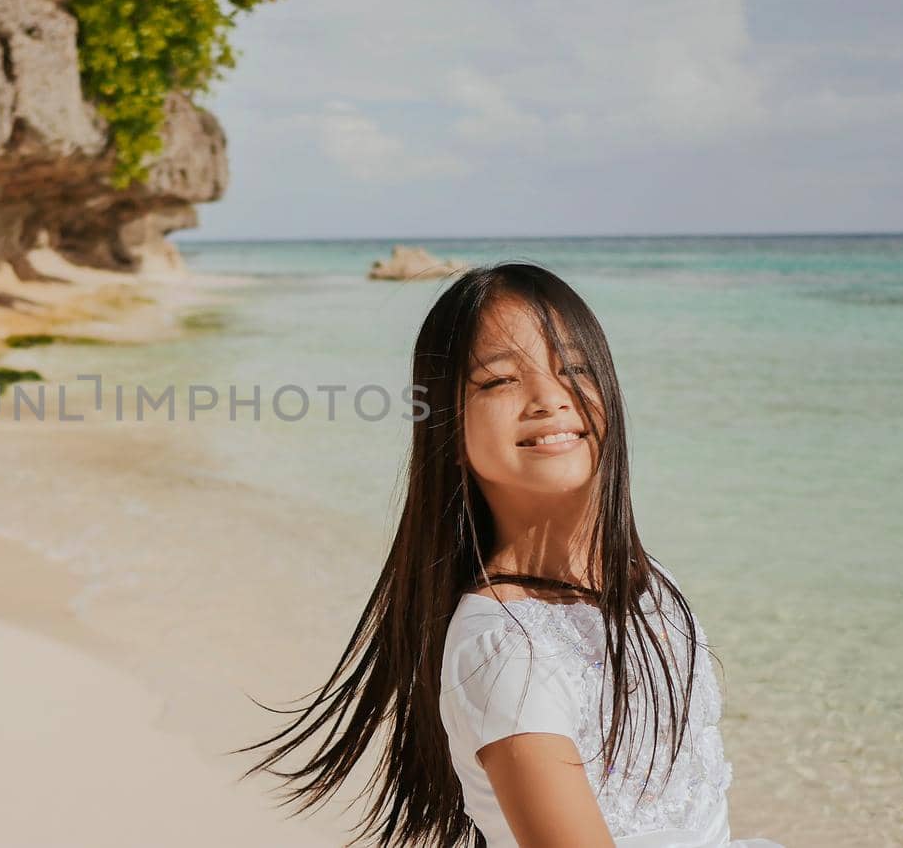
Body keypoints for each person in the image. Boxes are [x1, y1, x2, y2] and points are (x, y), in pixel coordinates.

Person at [233, 262, 784, 847]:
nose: (550, 398)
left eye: (573, 368)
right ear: (447, 423)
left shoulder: (649, 586)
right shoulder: (505, 652)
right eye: (499, 381)